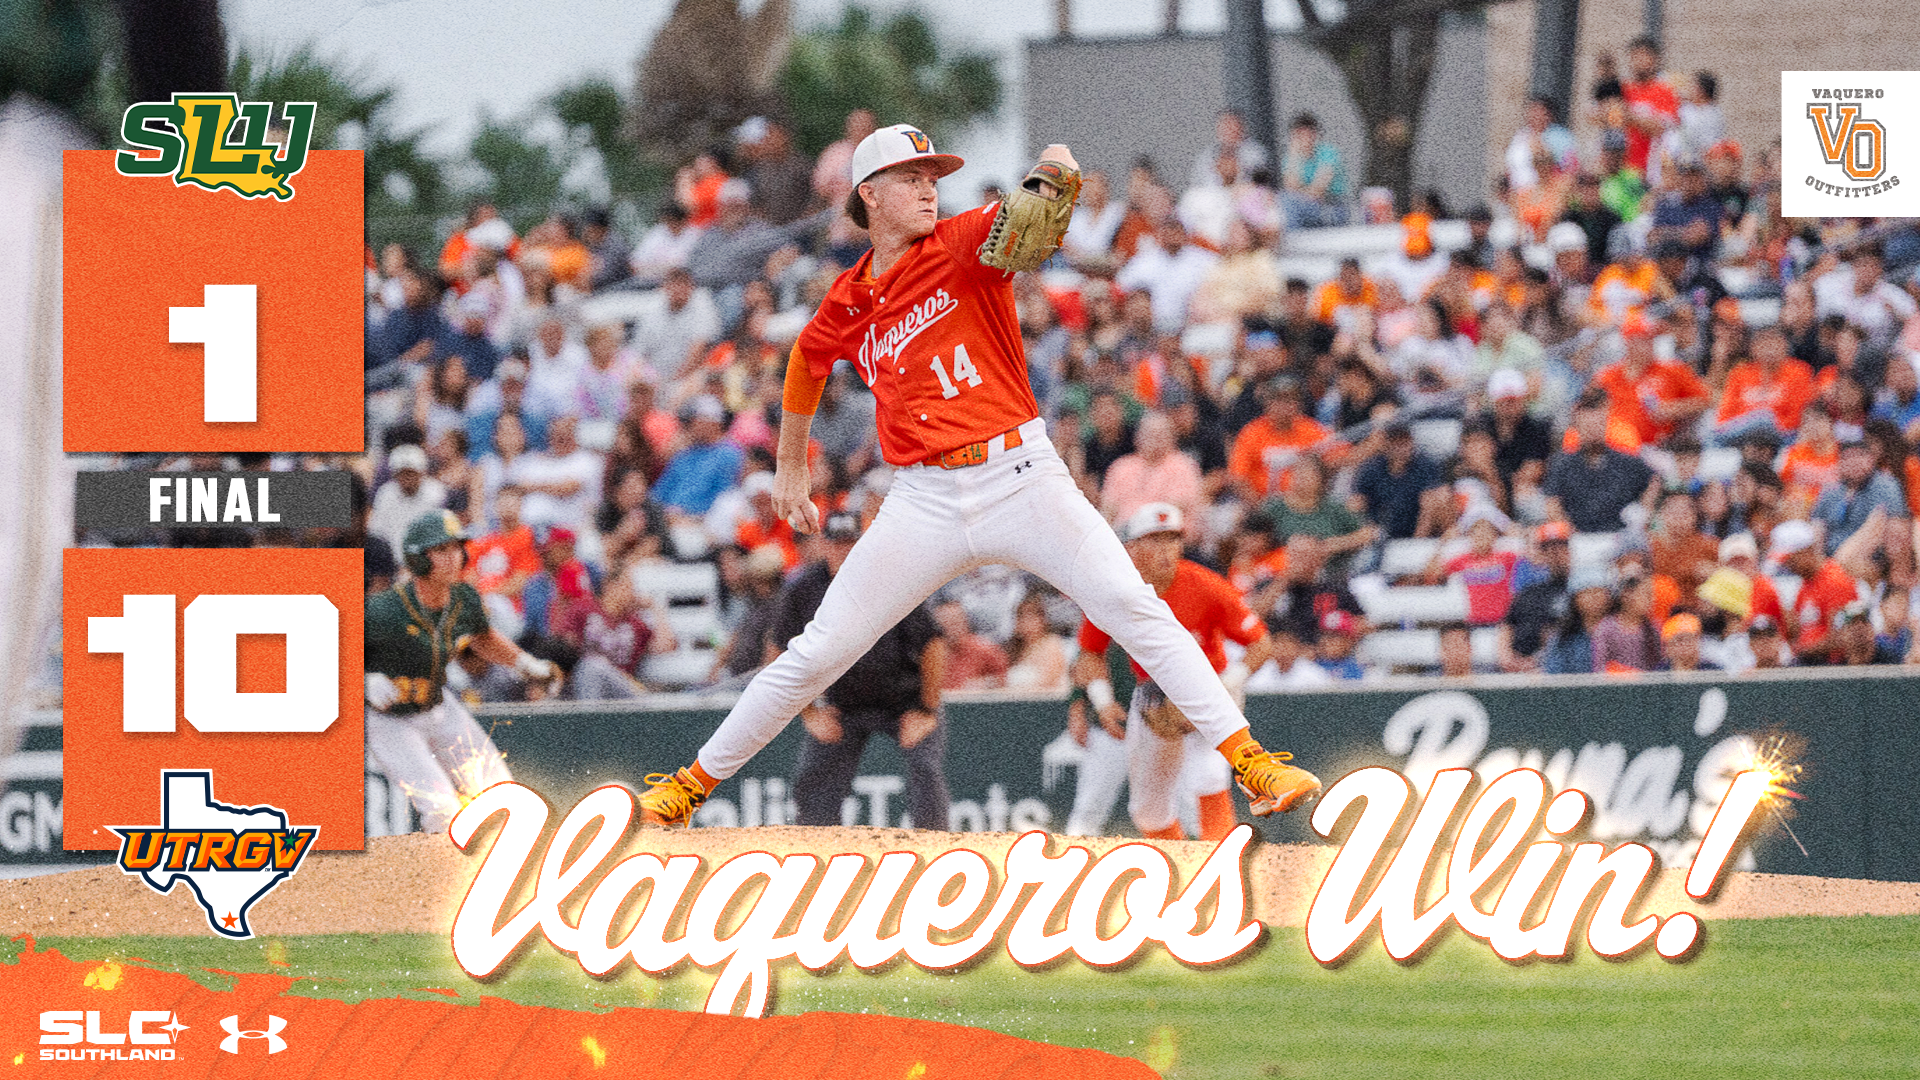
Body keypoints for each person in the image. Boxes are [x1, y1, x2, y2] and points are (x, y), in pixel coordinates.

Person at [636, 124, 1319, 826]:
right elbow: (807, 362)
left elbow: (1042, 194)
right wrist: (789, 464)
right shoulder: (848, 299)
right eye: (911, 177)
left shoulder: (966, 240)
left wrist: (1054, 171)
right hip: (923, 497)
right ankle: (690, 785)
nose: (929, 186)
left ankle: (1251, 761)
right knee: (818, 651)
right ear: (868, 194)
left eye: (934, 175)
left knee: (1133, 607)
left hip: (1020, 475)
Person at [1074, 504, 1273, 842]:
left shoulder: (1205, 585)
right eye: (1154, 540)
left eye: (1172, 539)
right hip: (1154, 695)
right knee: (1148, 808)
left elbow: (1261, 643)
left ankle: (1224, 866)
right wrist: (1103, 701)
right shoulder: (1117, 591)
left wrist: (1227, 686)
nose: (1165, 549)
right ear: (1131, 547)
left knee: (1209, 777)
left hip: (1213, 685)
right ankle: (1175, 866)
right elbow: (1089, 651)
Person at [364, 511, 558, 832]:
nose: (454, 557)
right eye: (441, 550)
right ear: (418, 559)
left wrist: (525, 663)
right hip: (390, 721)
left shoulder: (464, 598)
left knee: (500, 795)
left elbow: (483, 637)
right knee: (443, 810)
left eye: (457, 548)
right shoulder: (385, 610)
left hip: (439, 707)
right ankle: (437, 881)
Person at [769, 512, 951, 829]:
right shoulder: (805, 589)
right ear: (823, 546)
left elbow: (932, 643)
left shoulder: (889, 581)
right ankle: (814, 843)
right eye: (837, 544)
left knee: (925, 767)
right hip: (843, 704)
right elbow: (778, 651)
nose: (844, 551)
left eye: (851, 543)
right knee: (814, 777)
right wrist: (809, 713)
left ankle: (936, 843)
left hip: (904, 701)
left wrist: (927, 709)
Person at [1278, 113, 1347, 229]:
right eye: (1299, 135)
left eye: (1308, 134)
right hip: (1304, 210)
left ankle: (1291, 243)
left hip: (1330, 208)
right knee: (1284, 199)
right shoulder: (1290, 159)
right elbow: (1291, 188)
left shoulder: (1328, 153)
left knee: (1286, 201)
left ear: (1315, 135)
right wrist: (1294, 156)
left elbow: (1317, 191)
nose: (1305, 139)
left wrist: (1301, 192)